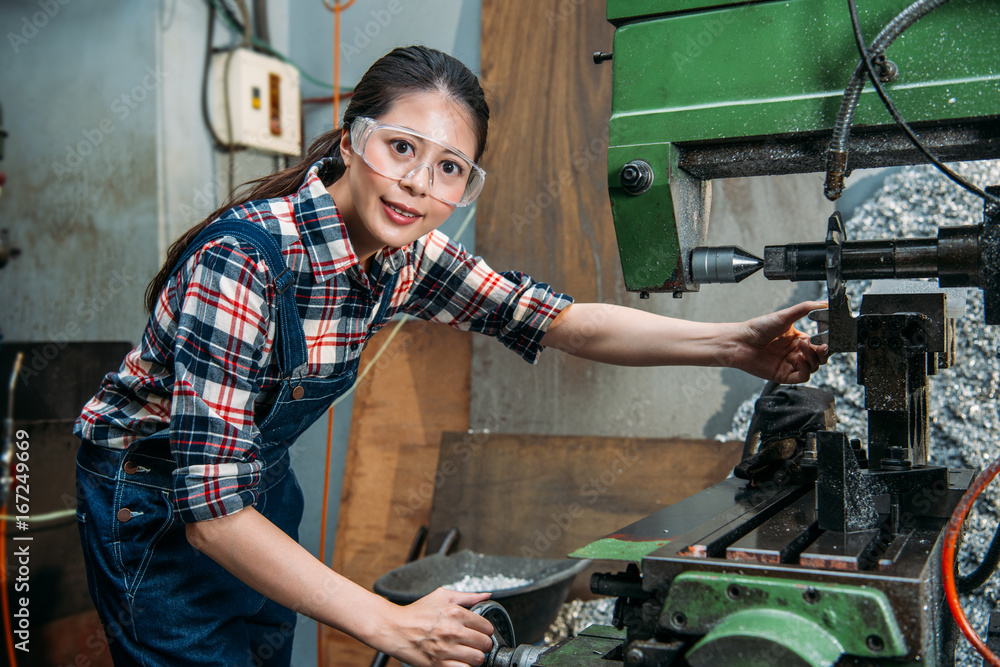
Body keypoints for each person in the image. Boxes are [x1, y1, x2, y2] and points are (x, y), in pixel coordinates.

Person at [74, 45, 828, 667]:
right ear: (351, 139)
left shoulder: (407, 254)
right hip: (157, 503)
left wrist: (732, 343)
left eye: (448, 168)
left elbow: (563, 321)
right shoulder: (243, 263)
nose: (416, 185)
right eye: (401, 148)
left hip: (253, 488)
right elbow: (212, 517)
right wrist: (389, 623)